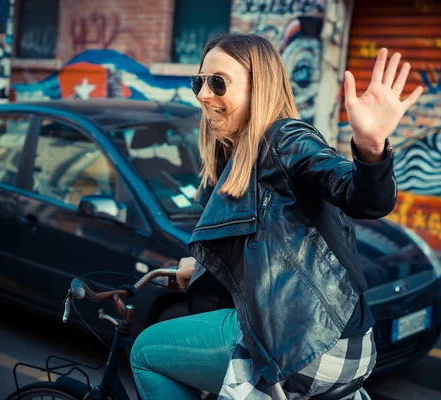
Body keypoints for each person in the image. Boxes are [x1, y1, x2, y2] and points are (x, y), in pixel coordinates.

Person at [130, 33, 423, 400]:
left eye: (218, 83)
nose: (204, 94)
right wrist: (202, 266)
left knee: (145, 353)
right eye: (199, 82)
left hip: (307, 341)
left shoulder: (287, 139)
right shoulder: (232, 158)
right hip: (334, 341)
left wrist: (370, 149)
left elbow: (360, 197)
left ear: (260, 88)